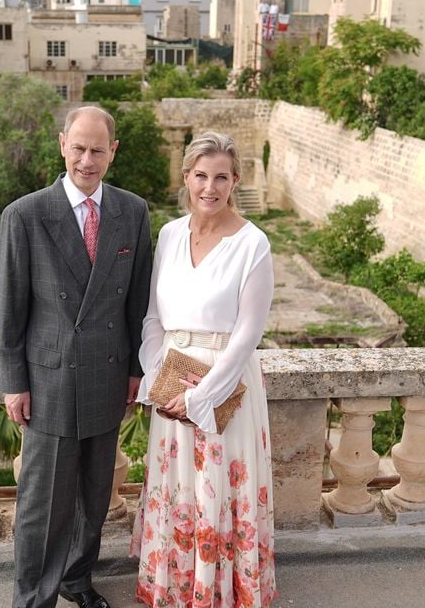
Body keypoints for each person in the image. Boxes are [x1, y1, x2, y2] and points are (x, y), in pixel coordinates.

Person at [0, 105, 153, 608]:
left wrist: (135, 370)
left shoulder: (133, 212)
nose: (87, 159)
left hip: (109, 376)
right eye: (79, 147)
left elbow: (138, 302)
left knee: (94, 495)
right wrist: (13, 381)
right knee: (43, 505)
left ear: (114, 151)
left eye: (98, 149)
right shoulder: (24, 214)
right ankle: (32, 598)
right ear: (62, 143)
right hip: (51, 381)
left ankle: (76, 579)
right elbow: (11, 307)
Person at [132, 132, 277, 607]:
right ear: (186, 177)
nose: (209, 187)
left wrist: (201, 396)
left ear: (235, 181)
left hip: (224, 385)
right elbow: (153, 317)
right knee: (177, 486)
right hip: (170, 378)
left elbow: (247, 335)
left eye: (221, 177)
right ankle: (174, 586)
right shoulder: (169, 234)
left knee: (218, 487)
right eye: (200, 175)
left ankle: (219, 592)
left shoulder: (253, 244)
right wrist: (158, 380)